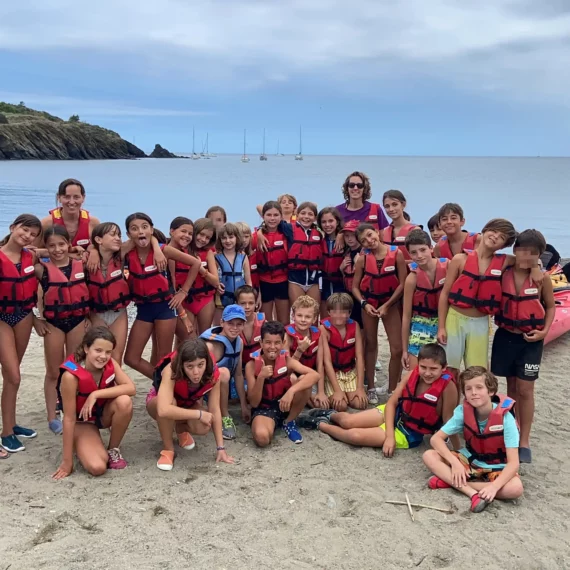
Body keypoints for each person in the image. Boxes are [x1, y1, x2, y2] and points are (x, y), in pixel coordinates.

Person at [301, 344, 457, 455]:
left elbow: (449, 421)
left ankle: (320, 425)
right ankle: (329, 415)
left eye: (433, 369)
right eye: (423, 367)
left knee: (355, 436)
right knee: (347, 421)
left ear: (444, 368)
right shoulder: (413, 374)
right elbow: (392, 402)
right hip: (396, 413)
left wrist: (458, 451)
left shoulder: (448, 387)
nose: (427, 373)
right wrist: (389, 435)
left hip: (409, 432)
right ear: (418, 365)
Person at [491, 229, 555, 464]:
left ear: (539, 255)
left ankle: (524, 441)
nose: (526, 256)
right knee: (511, 387)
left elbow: (550, 306)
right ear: (515, 250)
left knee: (526, 390)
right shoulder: (504, 272)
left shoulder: (542, 279)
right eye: (522, 251)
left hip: (531, 340)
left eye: (533, 253)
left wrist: (545, 331)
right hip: (506, 336)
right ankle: (513, 430)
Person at [423, 366, 524, 513]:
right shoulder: (463, 412)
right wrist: (455, 464)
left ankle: (451, 482)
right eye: (468, 389)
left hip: (497, 466)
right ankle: (471, 493)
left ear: (491, 391)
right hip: (471, 460)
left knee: (515, 488)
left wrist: (494, 487)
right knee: (429, 455)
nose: (474, 393)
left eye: (479, 387)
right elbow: (436, 439)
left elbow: (513, 463)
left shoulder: (506, 419)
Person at [121, 213, 203, 379]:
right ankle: (162, 381)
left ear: (151, 229)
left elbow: (195, 263)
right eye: (134, 229)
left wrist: (183, 292)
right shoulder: (127, 254)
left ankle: (165, 387)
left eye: (145, 227)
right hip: (143, 309)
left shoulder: (163, 250)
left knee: (163, 357)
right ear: (129, 234)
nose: (140, 231)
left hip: (165, 308)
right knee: (130, 358)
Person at [438, 218, 519, 377]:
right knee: (449, 368)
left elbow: (527, 260)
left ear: (503, 246)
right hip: (454, 319)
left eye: (502, 237)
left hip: (480, 323)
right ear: (485, 230)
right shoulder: (460, 259)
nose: (495, 236)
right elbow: (445, 294)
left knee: (477, 371)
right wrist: (441, 327)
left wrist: (537, 267)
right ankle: (451, 394)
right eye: (494, 231)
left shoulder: (505, 262)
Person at [53, 326, 136, 479]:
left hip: (101, 415)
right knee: (97, 467)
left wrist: (95, 394)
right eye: (98, 350)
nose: (103, 356)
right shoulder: (71, 376)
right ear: (86, 348)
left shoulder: (110, 363)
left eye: (108, 352)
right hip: (81, 422)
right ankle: (81, 443)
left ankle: (113, 450)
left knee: (125, 401)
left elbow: (131, 388)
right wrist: (67, 461)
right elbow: (69, 419)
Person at [33, 226, 91, 436]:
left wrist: (89, 318)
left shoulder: (81, 265)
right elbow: (25, 296)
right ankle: (52, 417)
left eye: (61, 244)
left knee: (72, 368)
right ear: (45, 247)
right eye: (51, 246)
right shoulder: (40, 269)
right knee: (53, 372)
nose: (57, 249)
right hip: (53, 324)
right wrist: (36, 319)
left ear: (68, 244)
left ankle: (70, 410)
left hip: (77, 321)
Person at [147, 338, 235, 471]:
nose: (196, 372)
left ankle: (180, 429)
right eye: (190, 366)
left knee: (204, 426)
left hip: (186, 403)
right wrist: (198, 414)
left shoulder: (212, 372)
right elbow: (163, 410)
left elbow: (214, 409)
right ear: (181, 365)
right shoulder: (171, 370)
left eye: (200, 365)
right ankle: (168, 449)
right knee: (170, 404)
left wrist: (220, 448)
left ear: (206, 362)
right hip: (158, 402)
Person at [0, 214, 43, 455]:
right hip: (2, 319)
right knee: (14, 376)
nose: (27, 236)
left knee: (11, 375)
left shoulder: (31, 256)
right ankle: (6, 434)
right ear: (12, 227)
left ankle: (11, 423)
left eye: (33, 234)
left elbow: (53, 253)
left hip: (24, 317)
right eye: (24, 230)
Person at [352, 223, 407, 399]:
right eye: (363, 240)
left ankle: (392, 390)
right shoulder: (362, 259)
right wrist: (364, 304)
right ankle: (371, 388)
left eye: (370, 235)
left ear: (377, 232)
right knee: (370, 345)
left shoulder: (396, 253)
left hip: (390, 304)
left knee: (397, 348)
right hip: (369, 305)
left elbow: (403, 283)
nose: (369, 241)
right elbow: (355, 287)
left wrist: (388, 305)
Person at [245, 321, 319, 446]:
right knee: (262, 439)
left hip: (285, 405)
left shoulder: (287, 360)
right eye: (268, 342)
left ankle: (289, 422)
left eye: (277, 343)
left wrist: (291, 391)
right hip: (264, 409)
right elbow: (253, 403)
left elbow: (315, 375)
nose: (272, 347)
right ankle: (270, 424)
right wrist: (261, 377)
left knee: (304, 380)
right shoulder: (251, 365)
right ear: (261, 343)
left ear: (283, 343)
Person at [257, 202, 324, 306]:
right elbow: (264, 211)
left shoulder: (320, 231)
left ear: (315, 218)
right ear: (296, 215)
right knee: (297, 310)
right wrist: (259, 232)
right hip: (295, 280)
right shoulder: (289, 228)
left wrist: (340, 235)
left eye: (310, 214)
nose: (306, 217)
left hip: (314, 280)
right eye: (303, 213)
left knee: (313, 311)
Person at [401, 229, 449, 371]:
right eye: (414, 252)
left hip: (446, 321)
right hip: (421, 324)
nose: (419, 256)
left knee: (445, 370)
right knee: (415, 372)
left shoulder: (448, 266)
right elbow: (406, 315)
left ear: (431, 248)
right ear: (409, 254)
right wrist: (404, 350)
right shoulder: (412, 279)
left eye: (423, 250)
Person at [200, 305, 248, 439]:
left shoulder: (239, 342)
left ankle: (227, 407)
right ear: (221, 323)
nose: (235, 328)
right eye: (230, 323)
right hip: (204, 387)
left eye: (239, 324)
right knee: (223, 373)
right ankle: (224, 414)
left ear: (244, 325)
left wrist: (244, 405)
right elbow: (198, 377)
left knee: (250, 387)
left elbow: (238, 374)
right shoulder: (211, 345)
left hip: (223, 385)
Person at [88, 223, 131, 363]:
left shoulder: (121, 256)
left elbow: (142, 237)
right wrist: (92, 250)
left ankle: (114, 379)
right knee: (97, 357)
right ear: (99, 239)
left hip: (119, 313)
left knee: (116, 358)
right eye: (112, 235)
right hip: (96, 314)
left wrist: (156, 246)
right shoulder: (86, 261)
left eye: (119, 235)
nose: (117, 238)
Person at [318, 293, 367, 410]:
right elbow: (326, 362)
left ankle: (350, 391)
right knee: (340, 406)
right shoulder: (323, 329)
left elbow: (359, 357)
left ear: (349, 313)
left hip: (350, 371)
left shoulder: (355, 325)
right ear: (329, 312)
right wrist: (337, 390)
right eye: (334, 311)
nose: (339, 315)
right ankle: (338, 391)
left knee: (360, 404)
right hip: (333, 373)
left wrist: (360, 388)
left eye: (343, 312)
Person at [176, 217, 219, 335]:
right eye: (201, 234)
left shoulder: (208, 253)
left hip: (205, 300)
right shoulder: (179, 251)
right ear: (194, 232)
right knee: (188, 337)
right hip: (184, 300)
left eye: (208, 237)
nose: (203, 239)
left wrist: (199, 268)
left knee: (204, 336)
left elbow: (215, 281)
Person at [253, 201, 290, 324]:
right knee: (266, 322)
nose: (272, 218)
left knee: (284, 321)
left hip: (283, 282)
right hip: (264, 283)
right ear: (263, 217)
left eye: (276, 215)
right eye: (269, 215)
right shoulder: (256, 237)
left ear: (281, 216)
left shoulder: (287, 233)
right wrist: (259, 232)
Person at [41, 178, 100, 250]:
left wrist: (93, 251)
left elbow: (102, 248)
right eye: (67, 197)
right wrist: (71, 252)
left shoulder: (93, 223)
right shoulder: (47, 223)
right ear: (59, 198)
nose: (72, 202)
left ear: (83, 198)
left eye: (76, 197)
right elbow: (34, 251)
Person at [285, 296, 323, 401]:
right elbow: (287, 370)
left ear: (314, 319)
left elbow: (320, 364)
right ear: (293, 316)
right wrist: (299, 350)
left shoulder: (318, 334)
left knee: (319, 403)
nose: (303, 320)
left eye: (307, 317)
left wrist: (321, 392)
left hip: (311, 374)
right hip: (292, 375)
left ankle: (306, 398)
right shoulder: (287, 336)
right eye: (299, 315)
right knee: (294, 378)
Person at [166, 216, 195, 345]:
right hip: (171, 307)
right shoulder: (170, 255)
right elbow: (172, 290)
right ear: (172, 231)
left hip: (173, 306)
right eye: (183, 231)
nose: (187, 236)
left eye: (190, 233)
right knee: (193, 342)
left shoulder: (182, 252)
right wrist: (184, 316)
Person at [214, 223, 252, 321]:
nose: (227, 241)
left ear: (237, 238)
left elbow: (248, 281)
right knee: (220, 325)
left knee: (240, 324)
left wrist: (250, 299)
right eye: (224, 238)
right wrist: (217, 286)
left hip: (241, 300)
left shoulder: (243, 257)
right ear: (220, 240)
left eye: (231, 237)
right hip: (221, 300)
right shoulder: (216, 257)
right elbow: (213, 279)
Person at [318, 207, 345, 318]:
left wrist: (342, 233)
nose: (327, 225)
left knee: (341, 317)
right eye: (323, 222)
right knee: (325, 318)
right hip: (324, 284)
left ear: (337, 222)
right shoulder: (319, 241)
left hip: (341, 285)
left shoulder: (345, 240)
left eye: (330, 221)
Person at [381, 190, 419, 260]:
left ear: (403, 205)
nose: (391, 209)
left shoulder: (415, 231)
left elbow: (421, 258)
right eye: (387, 206)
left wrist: (400, 263)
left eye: (394, 204)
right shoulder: (384, 232)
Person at [338, 220, 363, 328]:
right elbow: (345, 276)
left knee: (362, 327)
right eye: (347, 236)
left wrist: (360, 264)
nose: (350, 239)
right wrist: (341, 269)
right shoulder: (347, 253)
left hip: (362, 296)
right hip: (349, 295)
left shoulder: (365, 252)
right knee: (350, 326)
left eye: (353, 235)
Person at [236, 285, 265, 377]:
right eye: (243, 303)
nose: (247, 307)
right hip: (238, 368)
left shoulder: (264, 323)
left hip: (259, 366)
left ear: (256, 303)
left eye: (251, 303)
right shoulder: (231, 325)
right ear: (236, 304)